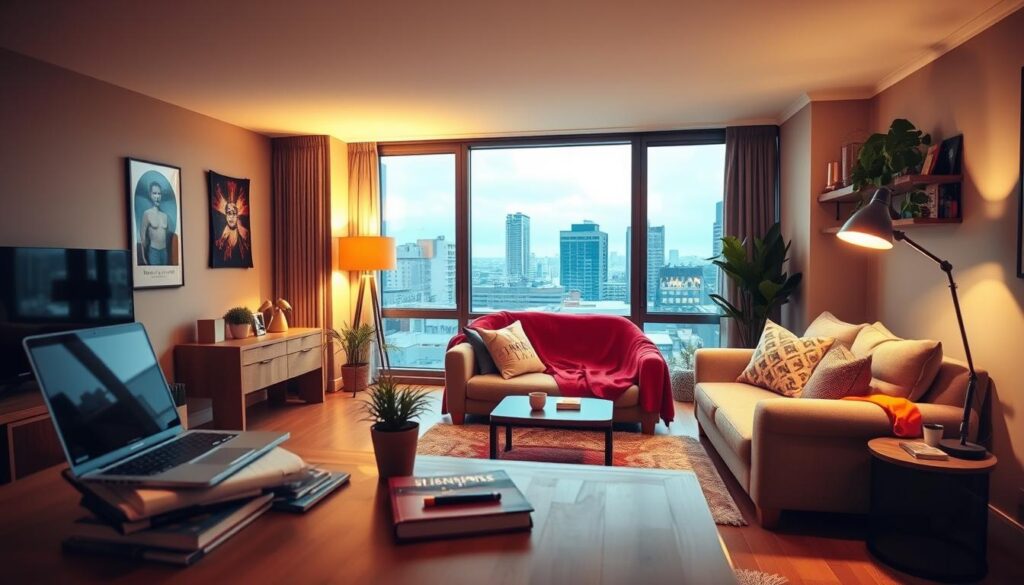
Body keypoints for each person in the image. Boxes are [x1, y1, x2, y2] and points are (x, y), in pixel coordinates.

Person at [139, 181, 172, 265]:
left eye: (159, 194)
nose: (157, 196)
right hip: (153, 252)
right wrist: (143, 257)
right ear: (150, 195)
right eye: (154, 193)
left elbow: (169, 237)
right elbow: (142, 237)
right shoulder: (147, 214)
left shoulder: (165, 216)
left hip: (164, 252)